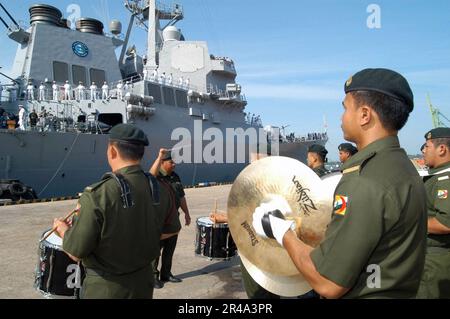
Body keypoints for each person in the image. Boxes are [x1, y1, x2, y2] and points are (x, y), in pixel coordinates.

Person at [252, 68, 427, 298]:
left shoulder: (363, 181)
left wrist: (280, 230)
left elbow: (328, 282)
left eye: (345, 108)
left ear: (365, 115)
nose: (341, 117)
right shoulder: (403, 167)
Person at [52, 124, 170, 299]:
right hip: (143, 285)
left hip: (106, 289)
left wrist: (62, 229)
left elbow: (76, 252)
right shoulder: (158, 189)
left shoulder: (98, 194)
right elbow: (171, 229)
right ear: (141, 153)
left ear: (113, 151)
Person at [150, 149, 191, 289]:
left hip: (174, 218)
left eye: (175, 162)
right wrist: (159, 156)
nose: (174, 165)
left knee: (170, 248)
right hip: (159, 220)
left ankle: (166, 274)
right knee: (155, 250)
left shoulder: (175, 177)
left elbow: (181, 196)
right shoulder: (156, 176)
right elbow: (150, 175)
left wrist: (187, 213)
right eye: (171, 162)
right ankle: (153, 276)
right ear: (162, 162)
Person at [416, 128, 450, 298]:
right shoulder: (437, 177)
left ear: (442, 149)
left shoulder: (446, 180)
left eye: (427, 146)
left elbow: (445, 223)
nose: (423, 151)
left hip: (437, 261)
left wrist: (408, 222)